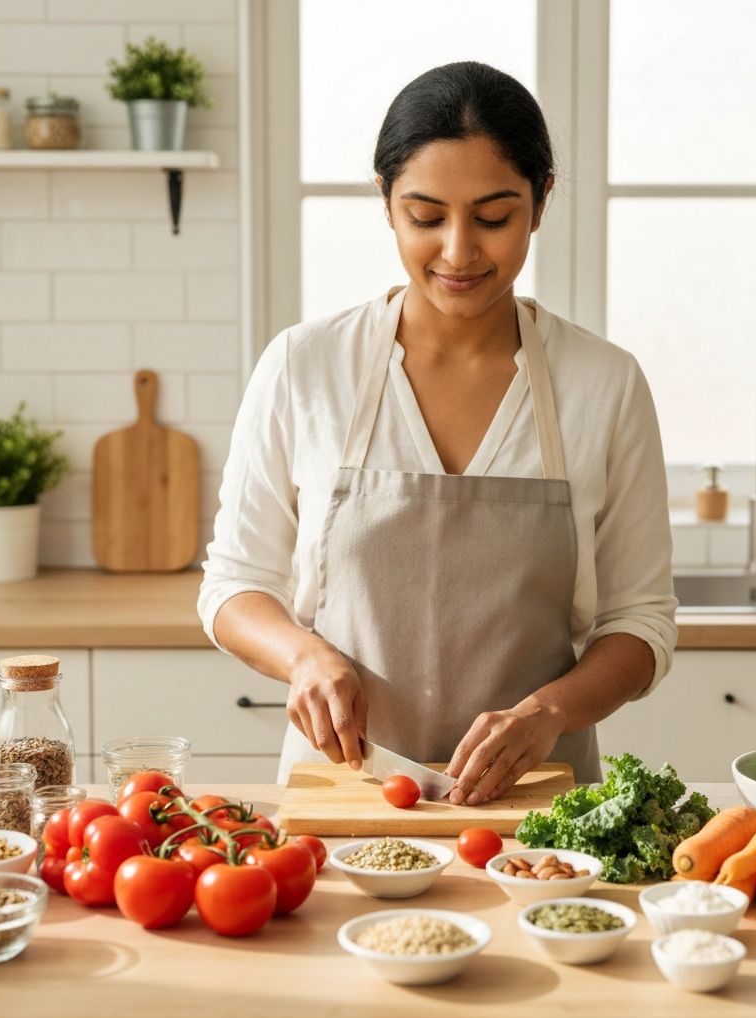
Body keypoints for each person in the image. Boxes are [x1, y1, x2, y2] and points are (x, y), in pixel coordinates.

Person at [199, 61, 677, 806]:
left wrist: (548, 714)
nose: (458, 252)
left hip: (540, 807)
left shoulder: (603, 384)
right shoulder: (306, 366)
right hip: (345, 796)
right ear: (386, 203)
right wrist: (304, 657)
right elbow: (233, 585)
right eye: (426, 217)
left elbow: (641, 623)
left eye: (494, 217)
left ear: (541, 202)